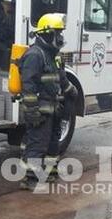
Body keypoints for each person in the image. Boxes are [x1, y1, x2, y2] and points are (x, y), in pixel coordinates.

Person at [18, 13, 76, 190]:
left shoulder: (53, 55)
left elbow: (61, 78)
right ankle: (30, 180)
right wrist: (32, 110)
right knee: (37, 144)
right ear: (46, 34)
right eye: (56, 33)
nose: (59, 37)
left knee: (53, 144)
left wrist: (70, 91)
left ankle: (49, 174)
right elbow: (28, 86)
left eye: (60, 33)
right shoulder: (34, 55)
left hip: (55, 108)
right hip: (40, 110)